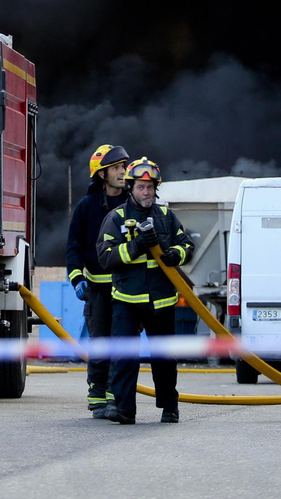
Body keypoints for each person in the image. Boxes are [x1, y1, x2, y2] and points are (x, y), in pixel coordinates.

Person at [97, 157, 194, 425]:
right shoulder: (116, 218)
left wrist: (177, 253)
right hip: (127, 299)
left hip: (162, 299)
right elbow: (105, 257)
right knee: (125, 357)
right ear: (131, 188)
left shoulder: (166, 216)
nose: (146, 192)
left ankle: (169, 407)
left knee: (164, 358)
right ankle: (125, 409)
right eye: (141, 187)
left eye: (150, 187)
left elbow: (187, 245)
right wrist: (137, 245)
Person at [65, 143, 131, 418]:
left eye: (124, 167)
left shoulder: (133, 204)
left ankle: (117, 397)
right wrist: (77, 278)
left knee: (121, 342)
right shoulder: (87, 206)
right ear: (102, 175)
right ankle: (98, 399)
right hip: (97, 288)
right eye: (116, 168)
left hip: (127, 287)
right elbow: (74, 247)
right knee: (100, 341)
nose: (122, 172)